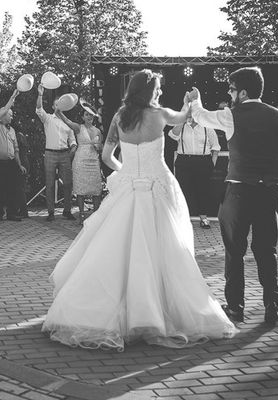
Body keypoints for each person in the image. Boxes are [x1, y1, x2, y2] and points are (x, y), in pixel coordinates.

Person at [42, 69, 237, 351]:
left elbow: (107, 156)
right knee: (165, 250)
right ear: (149, 91)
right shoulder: (161, 114)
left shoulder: (120, 117)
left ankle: (113, 312)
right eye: (157, 88)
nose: (159, 92)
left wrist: (127, 174)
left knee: (116, 249)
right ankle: (155, 312)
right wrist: (191, 100)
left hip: (129, 189)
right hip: (159, 187)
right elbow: (187, 117)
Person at [188, 67, 278, 325]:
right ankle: (272, 306)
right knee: (266, 250)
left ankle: (236, 308)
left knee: (234, 251)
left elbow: (201, 116)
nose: (229, 93)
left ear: (243, 91)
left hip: (238, 192)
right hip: (269, 192)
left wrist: (195, 98)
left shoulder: (230, 116)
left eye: (231, 88)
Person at [168, 111, 220, 228]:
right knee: (183, 190)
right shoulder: (181, 127)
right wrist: (182, 120)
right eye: (189, 114)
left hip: (203, 161)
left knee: (203, 190)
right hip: (184, 160)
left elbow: (215, 147)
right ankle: (182, 218)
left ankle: (204, 218)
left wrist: (212, 164)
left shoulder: (207, 128)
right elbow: (172, 135)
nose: (191, 116)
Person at [55, 100, 104, 224]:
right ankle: (81, 215)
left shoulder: (98, 131)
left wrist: (98, 147)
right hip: (81, 160)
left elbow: (102, 146)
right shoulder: (78, 128)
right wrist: (59, 112)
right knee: (81, 189)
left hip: (93, 161)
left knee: (96, 189)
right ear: (82, 117)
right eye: (86, 114)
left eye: (91, 115)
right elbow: (67, 121)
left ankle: (96, 215)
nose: (89, 117)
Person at [36, 84, 77, 221]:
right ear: (53, 107)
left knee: (68, 183)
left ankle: (67, 210)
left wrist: (72, 149)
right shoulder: (48, 118)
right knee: (50, 183)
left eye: (61, 104)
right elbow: (38, 109)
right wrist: (40, 94)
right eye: (56, 104)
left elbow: (72, 141)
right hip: (50, 154)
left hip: (65, 154)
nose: (59, 106)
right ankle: (51, 212)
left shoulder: (68, 122)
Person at [0, 90, 25, 221]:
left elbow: (16, 149)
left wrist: (19, 164)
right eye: (9, 114)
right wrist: (11, 97)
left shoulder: (13, 130)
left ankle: (11, 213)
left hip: (11, 162)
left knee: (12, 188)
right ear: (3, 115)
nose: (11, 117)